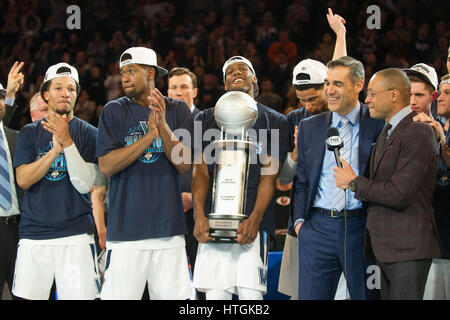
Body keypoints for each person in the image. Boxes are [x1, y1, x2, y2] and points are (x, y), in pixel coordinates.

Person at [334, 68, 440, 300]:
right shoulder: (388, 131)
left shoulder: (418, 132)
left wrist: (354, 183)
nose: (367, 99)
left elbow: (399, 193)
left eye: (372, 93)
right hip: (386, 248)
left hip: (407, 248)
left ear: (393, 95)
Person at [96, 47, 194, 300]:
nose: (124, 77)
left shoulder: (177, 110)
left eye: (131, 71)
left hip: (168, 230)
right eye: (122, 72)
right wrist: (148, 137)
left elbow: (184, 163)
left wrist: (161, 126)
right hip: (126, 232)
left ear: (150, 73)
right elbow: (106, 166)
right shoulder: (112, 111)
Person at [192, 56, 290, 300]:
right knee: (215, 297)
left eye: (242, 68)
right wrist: (198, 216)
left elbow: (270, 176)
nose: (236, 73)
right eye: (229, 72)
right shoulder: (203, 120)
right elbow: (201, 172)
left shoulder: (275, 120)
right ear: (225, 84)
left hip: (252, 227)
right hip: (212, 225)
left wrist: (256, 219)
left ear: (254, 78)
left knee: (251, 296)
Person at [294, 56, 384, 300]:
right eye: (327, 83)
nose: (330, 91)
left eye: (338, 84)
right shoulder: (309, 127)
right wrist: (300, 223)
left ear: (359, 85)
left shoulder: (379, 124)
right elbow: (302, 181)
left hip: (362, 228)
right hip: (317, 229)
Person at [12, 62, 102, 300]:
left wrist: (68, 144)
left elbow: (85, 184)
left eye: (71, 89)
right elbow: (23, 180)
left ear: (77, 94)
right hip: (34, 236)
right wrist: (54, 151)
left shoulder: (89, 133)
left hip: (76, 237)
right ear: (46, 94)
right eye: (59, 88)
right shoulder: (29, 133)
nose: (65, 93)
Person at [278, 8, 350, 300]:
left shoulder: (341, 113)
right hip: (304, 222)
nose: (307, 105)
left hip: (343, 220)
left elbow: (342, 71)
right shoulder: (293, 119)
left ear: (328, 87)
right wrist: (295, 153)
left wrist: (341, 36)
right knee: (302, 294)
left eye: (313, 97)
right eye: (301, 99)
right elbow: (283, 180)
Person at [166, 66, 203, 299]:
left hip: (199, 217)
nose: (178, 92)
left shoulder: (208, 122)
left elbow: (215, 167)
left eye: (184, 87)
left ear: (195, 91)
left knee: (202, 286)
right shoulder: (156, 122)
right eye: (173, 87)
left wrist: (194, 197)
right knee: (167, 284)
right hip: (166, 216)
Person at [423, 74, 450, 299]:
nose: (440, 98)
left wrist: (442, 141)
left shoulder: (438, 131)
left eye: (447, 93)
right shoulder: (431, 125)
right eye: (440, 93)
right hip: (432, 227)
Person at [0, 63, 25, 300]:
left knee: (24, 293)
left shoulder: (15, 137)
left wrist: (10, 94)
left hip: (19, 229)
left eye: (0, 98)